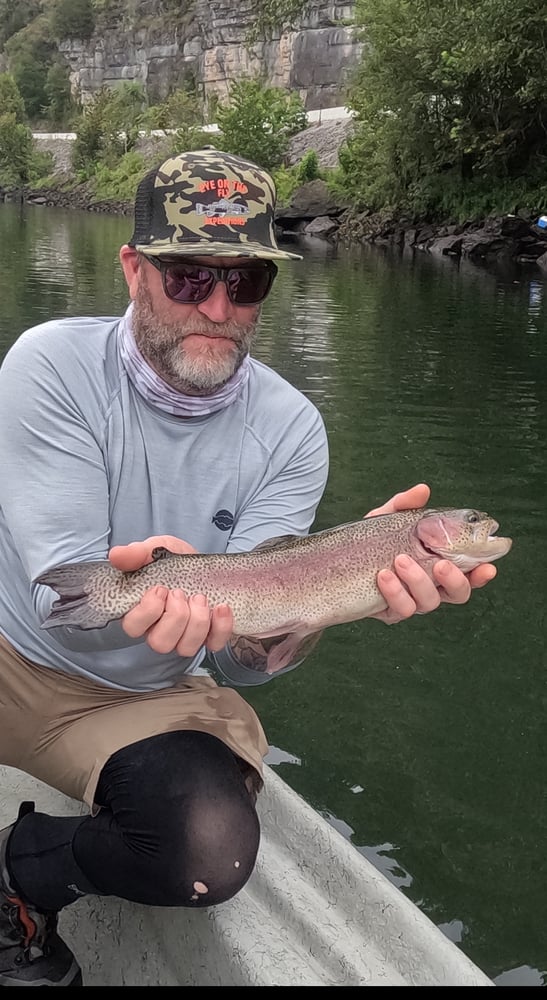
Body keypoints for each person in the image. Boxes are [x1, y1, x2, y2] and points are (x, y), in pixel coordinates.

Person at [0, 147, 497, 987]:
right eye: (189, 278)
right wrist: (150, 581)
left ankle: (24, 874)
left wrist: (346, 589)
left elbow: (245, 662)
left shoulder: (292, 430)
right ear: (133, 269)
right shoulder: (49, 365)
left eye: (248, 282)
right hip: (13, 654)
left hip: (148, 697)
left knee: (206, 851)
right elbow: (63, 589)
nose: (219, 307)